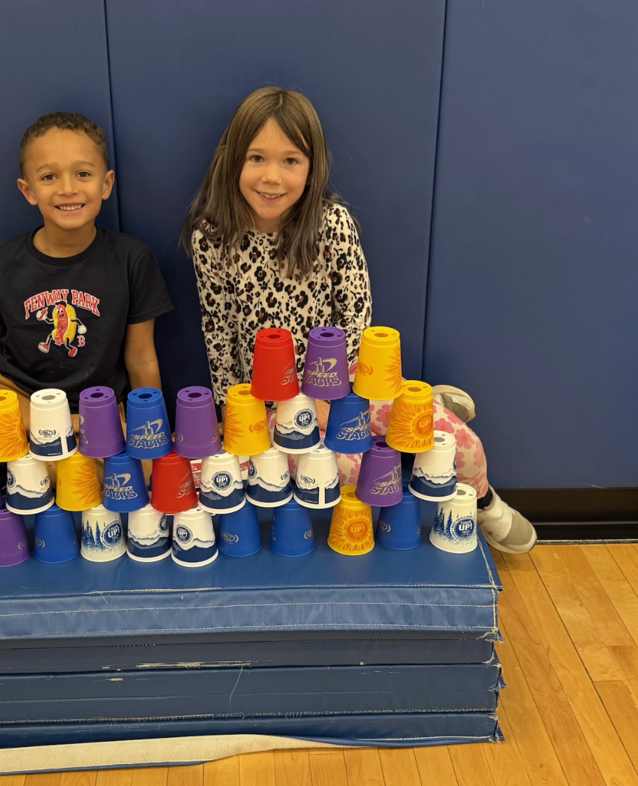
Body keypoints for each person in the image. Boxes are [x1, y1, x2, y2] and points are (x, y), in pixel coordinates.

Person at [183, 87, 536, 554]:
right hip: (268, 404)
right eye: (256, 158)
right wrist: (233, 413)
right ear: (232, 160)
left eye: (290, 161)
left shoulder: (331, 224)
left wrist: (331, 394)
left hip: (346, 383)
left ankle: (485, 499)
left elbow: (355, 315)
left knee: (458, 443)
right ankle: (421, 403)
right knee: (333, 472)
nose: (271, 176)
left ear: (312, 170)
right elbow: (218, 332)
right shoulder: (211, 238)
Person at [0, 112, 173, 437]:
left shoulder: (132, 259)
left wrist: (153, 427)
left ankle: (59, 430)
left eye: (82, 174)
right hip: (10, 394)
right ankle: (52, 430)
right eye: (49, 177)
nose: (67, 188)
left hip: (95, 409)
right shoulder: (0, 262)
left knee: (121, 458)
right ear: (28, 191)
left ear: (106, 184)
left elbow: (141, 357)